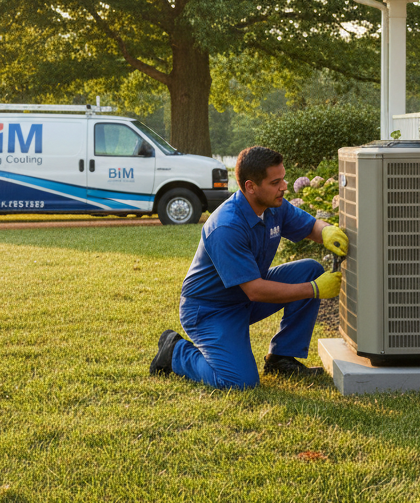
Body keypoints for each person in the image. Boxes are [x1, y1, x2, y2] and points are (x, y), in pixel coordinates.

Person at [149, 146, 348, 389]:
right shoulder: (226, 226)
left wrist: (326, 231)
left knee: (309, 270)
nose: (284, 186)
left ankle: (281, 359)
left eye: (283, 178)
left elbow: (309, 227)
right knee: (239, 382)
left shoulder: (274, 207)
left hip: (245, 297)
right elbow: (255, 290)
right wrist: (314, 290)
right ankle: (175, 352)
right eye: (276, 182)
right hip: (212, 309)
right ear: (251, 187)